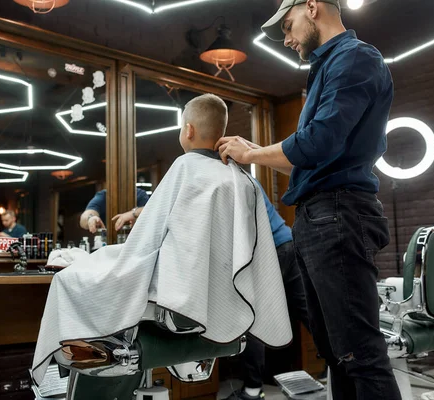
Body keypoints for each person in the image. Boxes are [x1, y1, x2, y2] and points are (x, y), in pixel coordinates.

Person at [31, 94, 293, 385]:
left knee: (67, 281)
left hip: (178, 302)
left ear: (188, 130)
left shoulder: (185, 167)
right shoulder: (239, 177)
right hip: (222, 292)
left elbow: (144, 245)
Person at [216, 1, 400, 399]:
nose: (286, 39)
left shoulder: (353, 59)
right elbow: (311, 163)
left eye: (287, 25)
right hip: (321, 216)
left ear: (312, 7)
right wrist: (256, 151)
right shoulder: (328, 69)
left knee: (359, 355)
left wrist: (252, 154)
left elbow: (318, 142)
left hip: (338, 214)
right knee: (337, 355)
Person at [224, 186, 309, 400]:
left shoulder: (223, 180)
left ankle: (252, 392)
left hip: (270, 250)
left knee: (252, 318)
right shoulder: (245, 178)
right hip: (288, 242)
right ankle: (345, 364)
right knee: (307, 311)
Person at [80, 188, 150, 233]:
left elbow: (152, 211)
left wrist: (134, 213)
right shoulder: (102, 196)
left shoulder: (140, 195)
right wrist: (91, 218)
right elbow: (84, 219)